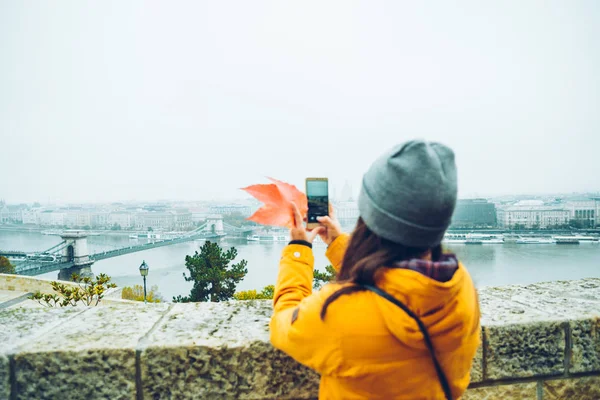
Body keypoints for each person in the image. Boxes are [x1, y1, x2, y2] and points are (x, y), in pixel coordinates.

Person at [270, 140, 481, 400]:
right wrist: (338, 244)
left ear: (369, 215)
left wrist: (299, 248)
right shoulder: (461, 286)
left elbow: (285, 325)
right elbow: (390, 283)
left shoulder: (339, 312)